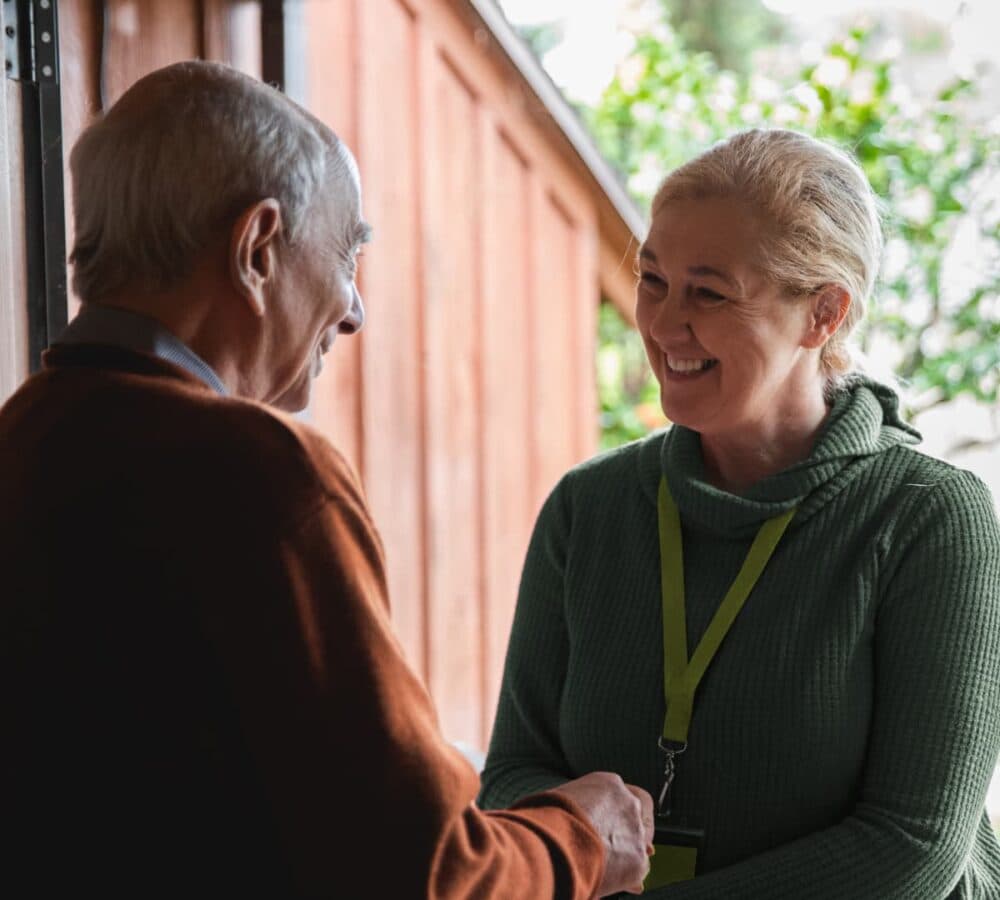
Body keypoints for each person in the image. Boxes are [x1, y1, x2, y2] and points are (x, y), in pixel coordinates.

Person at [0, 60, 655, 897]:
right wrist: (583, 838)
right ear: (259, 247)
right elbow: (425, 873)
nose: (353, 308)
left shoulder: (25, 435)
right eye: (348, 256)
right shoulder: (256, 474)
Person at [479, 128, 1000, 898]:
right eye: (653, 279)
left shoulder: (929, 518)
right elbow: (513, 776)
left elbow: (912, 849)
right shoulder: (586, 510)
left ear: (823, 314)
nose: (659, 324)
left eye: (708, 292)